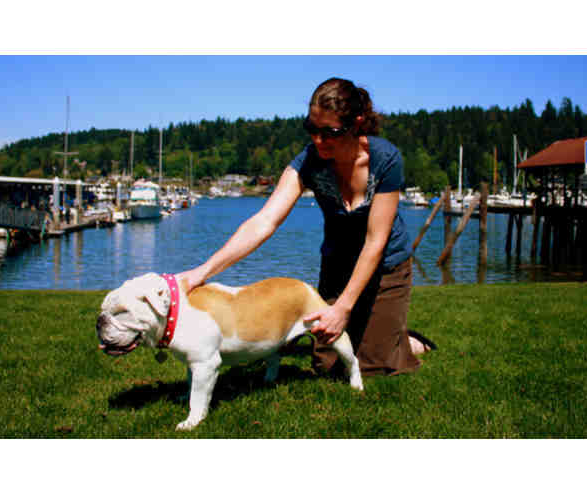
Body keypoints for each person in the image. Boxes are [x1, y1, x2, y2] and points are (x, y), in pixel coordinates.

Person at [177, 77, 435, 377]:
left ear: (356, 124)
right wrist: (202, 272)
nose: (318, 140)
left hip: (386, 267)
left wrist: (343, 308)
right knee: (326, 365)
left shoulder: (385, 159)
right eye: (311, 129)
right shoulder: (309, 162)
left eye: (329, 132)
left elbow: (376, 241)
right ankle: (374, 331)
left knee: (373, 367)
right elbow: (264, 222)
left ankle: (405, 341)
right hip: (338, 267)